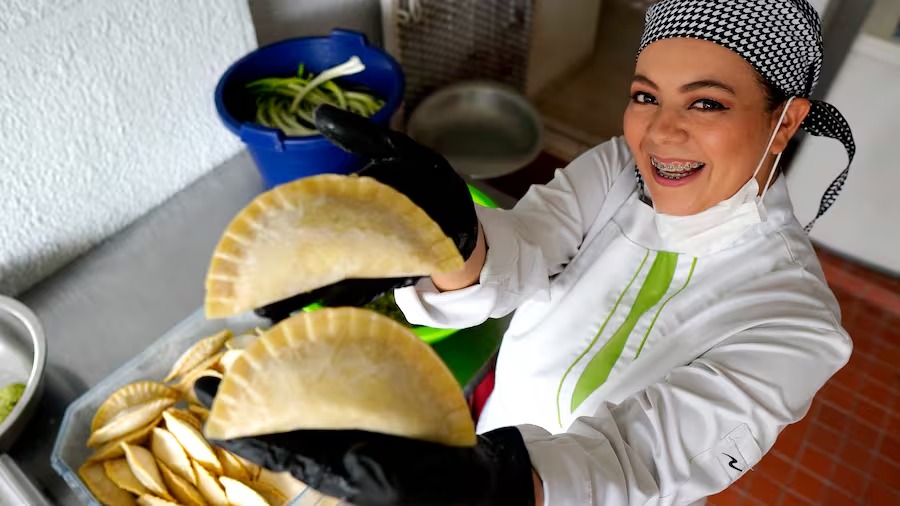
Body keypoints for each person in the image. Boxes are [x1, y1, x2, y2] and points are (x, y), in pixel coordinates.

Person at [197, 0, 858, 504]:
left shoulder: (795, 320)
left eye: (706, 102)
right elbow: (526, 249)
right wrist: (449, 241)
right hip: (484, 444)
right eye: (644, 96)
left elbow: (638, 459)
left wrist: (500, 487)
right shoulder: (617, 170)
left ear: (787, 122)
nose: (659, 133)